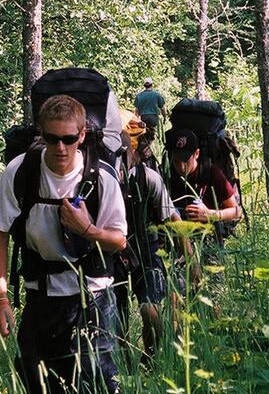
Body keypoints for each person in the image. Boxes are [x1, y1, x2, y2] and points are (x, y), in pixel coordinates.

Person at [0, 95, 127, 393]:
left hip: (93, 297)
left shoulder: (101, 178)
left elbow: (118, 241)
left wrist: (87, 229)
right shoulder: (21, 171)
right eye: (52, 138)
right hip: (41, 297)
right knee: (37, 384)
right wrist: (1, 299)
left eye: (68, 139)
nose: (60, 147)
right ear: (42, 133)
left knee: (96, 385)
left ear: (82, 135)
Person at [114, 131, 182, 366]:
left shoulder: (149, 177)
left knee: (150, 311)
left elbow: (172, 216)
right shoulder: (104, 178)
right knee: (117, 319)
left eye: (122, 154)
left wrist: (190, 258)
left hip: (147, 250)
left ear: (132, 152)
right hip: (114, 253)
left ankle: (151, 359)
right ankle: (125, 369)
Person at [166, 129, 240, 306]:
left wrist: (211, 214)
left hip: (209, 242)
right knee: (178, 299)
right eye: (176, 161)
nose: (181, 166)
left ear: (197, 154)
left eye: (185, 160)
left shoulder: (211, 173)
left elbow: (237, 211)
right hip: (180, 247)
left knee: (214, 297)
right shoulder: (168, 177)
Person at [134, 78, 167, 142]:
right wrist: (165, 117)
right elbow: (163, 108)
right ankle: (153, 144)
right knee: (153, 135)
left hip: (143, 118)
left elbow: (136, 111)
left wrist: (137, 121)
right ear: (152, 84)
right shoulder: (157, 94)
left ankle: (146, 145)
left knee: (144, 136)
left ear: (144, 85)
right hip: (153, 118)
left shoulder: (139, 96)